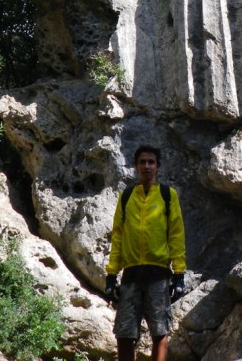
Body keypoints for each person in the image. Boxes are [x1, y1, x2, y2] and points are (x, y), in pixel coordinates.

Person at [105, 145, 186, 361]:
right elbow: (118, 236)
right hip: (131, 274)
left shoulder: (168, 196)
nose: (146, 166)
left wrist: (179, 273)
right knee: (124, 333)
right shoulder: (127, 196)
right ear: (135, 166)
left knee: (160, 331)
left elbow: (176, 235)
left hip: (158, 274)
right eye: (142, 162)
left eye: (151, 162)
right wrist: (112, 274)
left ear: (158, 167)